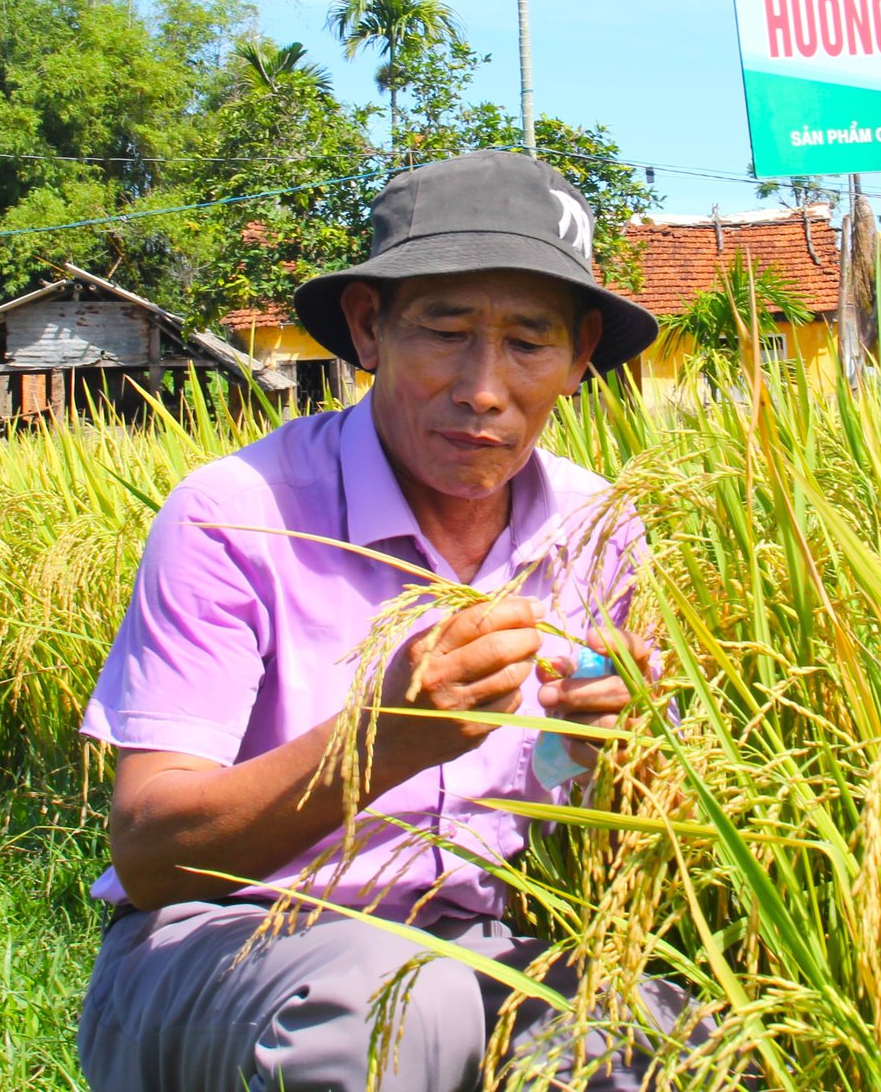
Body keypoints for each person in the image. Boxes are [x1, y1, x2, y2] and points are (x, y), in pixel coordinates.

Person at [76, 150, 678, 1092]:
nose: (483, 387)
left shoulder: (595, 528)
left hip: (468, 941)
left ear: (578, 354)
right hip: (218, 944)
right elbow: (151, 853)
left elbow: (561, 794)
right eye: (445, 332)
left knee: (662, 1039)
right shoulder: (235, 513)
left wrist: (605, 741)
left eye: (528, 343)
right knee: (400, 1009)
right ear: (369, 327)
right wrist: (384, 739)